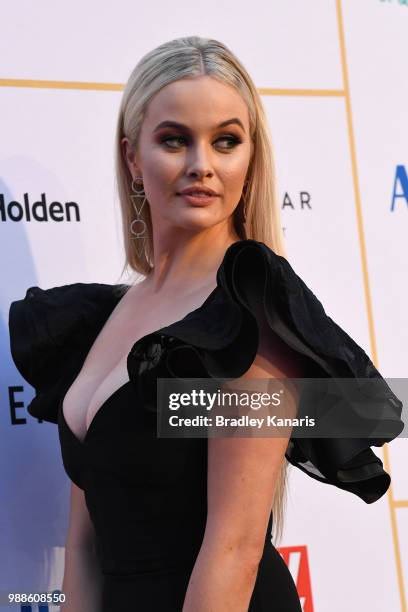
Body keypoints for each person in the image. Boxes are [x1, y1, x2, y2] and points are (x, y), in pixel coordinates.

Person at [8, 36, 403, 612]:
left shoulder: (246, 317)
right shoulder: (96, 321)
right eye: (174, 140)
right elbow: (84, 548)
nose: (202, 166)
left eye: (225, 141)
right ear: (131, 159)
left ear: (250, 158)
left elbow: (233, 552)